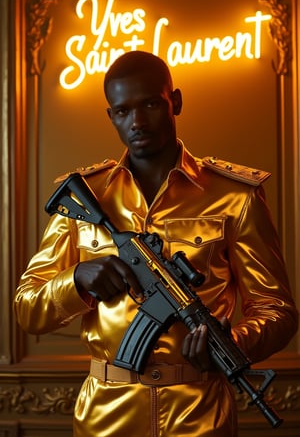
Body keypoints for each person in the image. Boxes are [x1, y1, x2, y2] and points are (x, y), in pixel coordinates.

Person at [14, 50, 298, 437]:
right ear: (110, 116)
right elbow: (27, 310)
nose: (137, 122)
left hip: (199, 416)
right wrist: (77, 279)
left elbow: (277, 309)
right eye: (122, 111)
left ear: (175, 101)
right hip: (105, 418)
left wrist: (233, 341)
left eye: (149, 104)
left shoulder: (235, 196)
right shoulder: (84, 198)